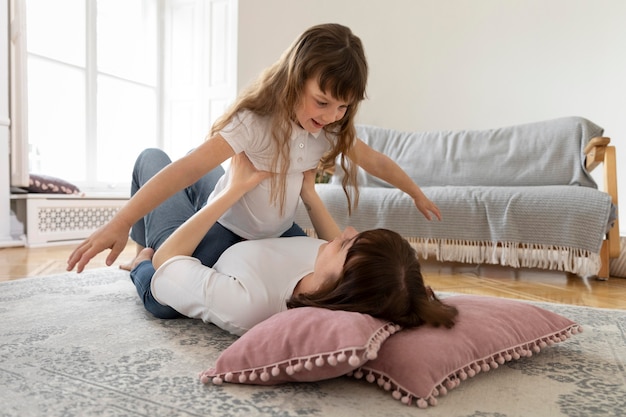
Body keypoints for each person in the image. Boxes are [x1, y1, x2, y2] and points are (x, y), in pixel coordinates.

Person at [66, 23, 441, 274]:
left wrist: (415, 193)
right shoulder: (255, 122)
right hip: (227, 226)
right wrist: (120, 221)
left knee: (330, 275)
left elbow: (375, 160)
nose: (331, 116)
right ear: (295, 81)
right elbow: (186, 169)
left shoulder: (328, 130)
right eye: (322, 102)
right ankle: (144, 253)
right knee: (171, 279)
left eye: (343, 107)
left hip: (278, 231)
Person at [131, 151, 457, 336]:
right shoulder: (327, 274)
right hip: (240, 235)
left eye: (346, 246)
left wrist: (232, 192)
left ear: (339, 285)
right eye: (355, 238)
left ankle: (135, 259)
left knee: (153, 158)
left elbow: (168, 260)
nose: (345, 233)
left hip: (195, 252)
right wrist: (309, 192)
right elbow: (338, 249)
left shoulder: (250, 305)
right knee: (201, 162)